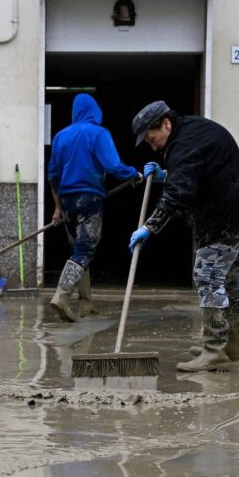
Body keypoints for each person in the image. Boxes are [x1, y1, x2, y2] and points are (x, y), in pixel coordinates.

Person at [128, 101, 239, 372]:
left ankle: (215, 348)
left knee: (207, 276)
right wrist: (165, 175)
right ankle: (230, 342)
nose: (154, 147)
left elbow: (179, 193)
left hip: (227, 216)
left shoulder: (182, 145)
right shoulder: (192, 128)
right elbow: (196, 172)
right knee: (230, 277)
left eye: (153, 140)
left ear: (166, 124)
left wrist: (149, 227)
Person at [47, 93, 141, 322]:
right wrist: (133, 174)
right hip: (89, 199)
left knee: (78, 251)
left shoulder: (61, 136)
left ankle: (86, 305)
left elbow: (53, 176)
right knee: (85, 251)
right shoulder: (98, 134)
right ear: (95, 111)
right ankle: (61, 296)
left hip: (68, 202)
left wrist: (58, 208)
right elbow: (113, 165)